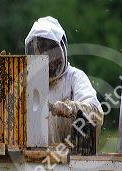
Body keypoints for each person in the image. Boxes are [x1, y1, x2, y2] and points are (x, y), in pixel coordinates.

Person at [25, 16, 103, 144]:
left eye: (51, 49)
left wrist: (72, 108)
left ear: (62, 49)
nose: (48, 57)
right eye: (42, 49)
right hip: (37, 157)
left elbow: (96, 112)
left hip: (73, 158)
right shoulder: (30, 82)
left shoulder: (75, 77)